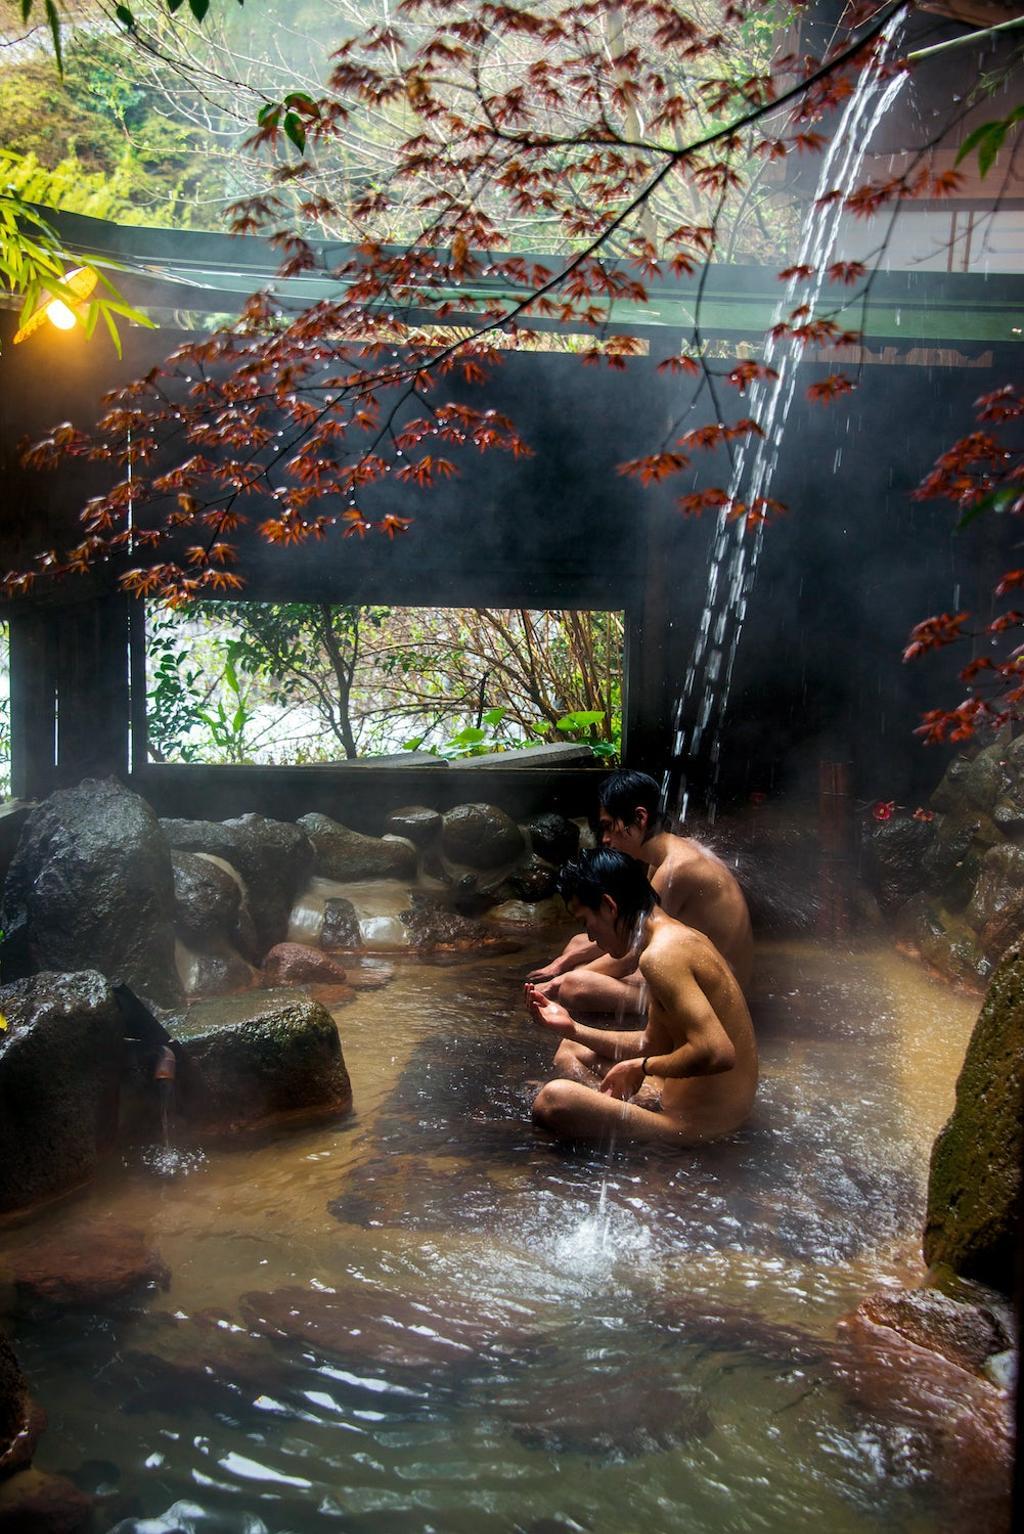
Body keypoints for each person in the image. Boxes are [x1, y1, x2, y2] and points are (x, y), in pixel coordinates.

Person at [526, 849, 757, 1146]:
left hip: (699, 1126)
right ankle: (615, 1101)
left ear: (609, 906)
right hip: (701, 1103)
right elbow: (653, 1044)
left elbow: (718, 1052)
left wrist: (640, 1067)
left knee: (553, 1100)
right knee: (569, 1048)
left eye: (586, 922)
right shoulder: (676, 937)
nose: (591, 937)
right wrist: (573, 1028)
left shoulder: (662, 956)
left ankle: (613, 1107)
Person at [527, 769, 752, 1012]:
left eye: (608, 826)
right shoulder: (668, 856)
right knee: (576, 946)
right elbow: (629, 928)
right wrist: (564, 962)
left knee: (575, 987)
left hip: (715, 995)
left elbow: (631, 953)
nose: (605, 839)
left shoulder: (677, 870)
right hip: (697, 969)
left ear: (639, 818)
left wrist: (560, 980)